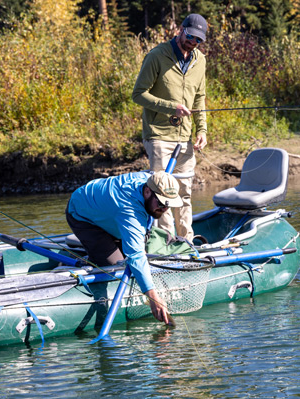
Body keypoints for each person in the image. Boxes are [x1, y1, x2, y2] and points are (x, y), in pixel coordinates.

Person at [66, 171, 183, 325]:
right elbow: (135, 256)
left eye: (168, 205)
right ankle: (88, 259)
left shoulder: (147, 180)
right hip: (82, 214)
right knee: (115, 267)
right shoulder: (129, 212)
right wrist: (152, 295)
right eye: (161, 203)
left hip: (109, 209)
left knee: (135, 251)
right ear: (147, 191)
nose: (164, 209)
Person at [131, 13, 209, 242]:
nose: (193, 42)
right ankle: (166, 242)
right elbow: (138, 95)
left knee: (184, 192)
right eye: (190, 36)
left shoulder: (200, 60)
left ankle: (186, 241)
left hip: (184, 137)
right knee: (161, 194)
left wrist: (202, 130)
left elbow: (199, 98)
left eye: (198, 40)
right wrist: (170, 107)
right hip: (158, 136)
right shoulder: (156, 56)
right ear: (180, 30)